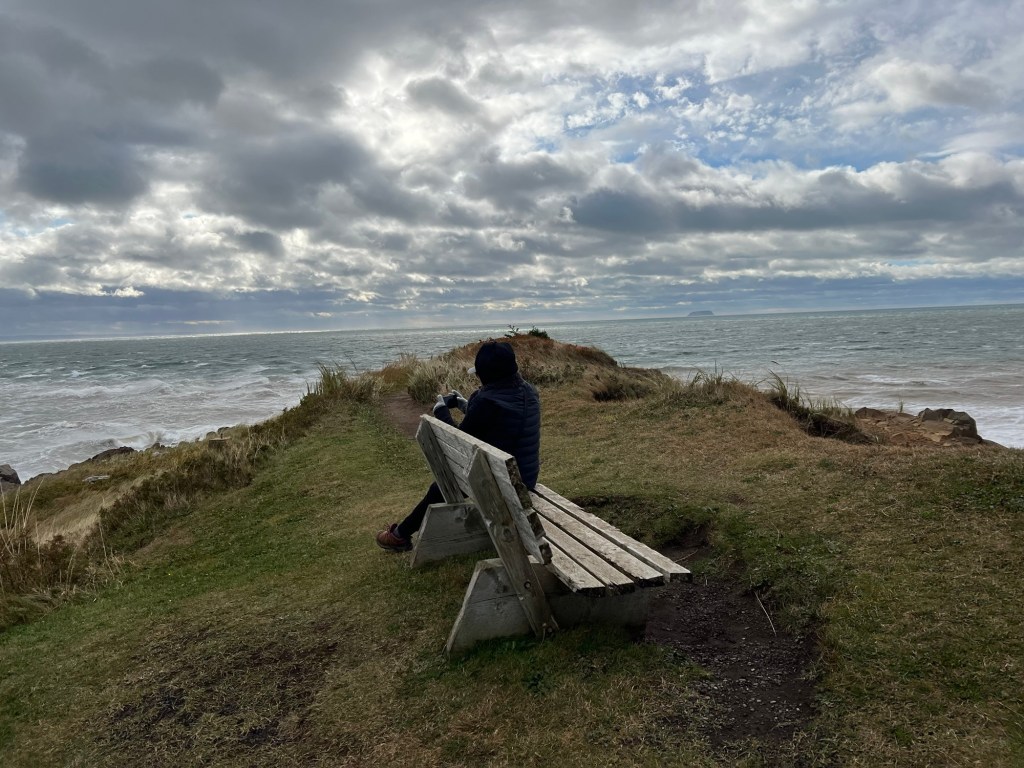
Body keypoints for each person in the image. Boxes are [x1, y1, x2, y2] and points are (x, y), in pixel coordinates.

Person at [376, 340, 541, 552]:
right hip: (525, 478)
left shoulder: (486, 402)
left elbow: (459, 441)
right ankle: (401, 533)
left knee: (444, 483)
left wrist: (441, 411)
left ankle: (400, 535)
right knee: (446, 484)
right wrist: (466, 405)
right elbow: (496, 423)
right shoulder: (529, 392)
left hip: (503, 486)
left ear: (486, 375)